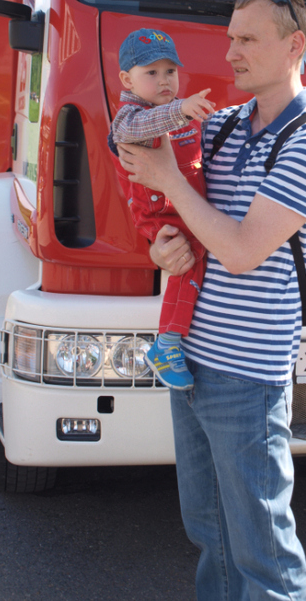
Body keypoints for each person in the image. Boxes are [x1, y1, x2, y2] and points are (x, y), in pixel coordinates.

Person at [117, 0, 306, 600]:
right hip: (189, 363)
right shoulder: (219, 127)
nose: (231, 53)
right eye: (230, 38)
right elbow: (168, 207)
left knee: (262, 555)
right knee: (211, 538)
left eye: (247, 39)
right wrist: (159, 248)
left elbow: (243, 251)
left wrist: (169, 178)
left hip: (249, 376)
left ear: (295, 45)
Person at [108, 28, 215, 390]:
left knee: (194, 260)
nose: (164, 80)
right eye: (151, 72)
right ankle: (167, 342)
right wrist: (180, 110)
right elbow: (137, 128)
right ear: (127, 80)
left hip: (183, 207)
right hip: (161, 215)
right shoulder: (129, 116)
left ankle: (174, 339)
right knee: (187, 261)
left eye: (170, 71)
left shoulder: (175, 111)